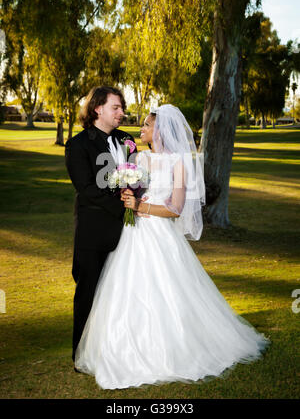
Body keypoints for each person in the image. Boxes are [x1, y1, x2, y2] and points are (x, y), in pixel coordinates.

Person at [74, 104, 270, 389]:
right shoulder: (138, 158)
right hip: (132, 233)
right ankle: (124, 345)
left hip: (159, 233)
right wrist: (126, 195)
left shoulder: (179, 162)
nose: (140, 130)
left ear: (159, 130)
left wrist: (142, 205)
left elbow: (176, 209)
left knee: (167, 289)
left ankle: (174, 345)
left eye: (146, 125)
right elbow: (126, 189)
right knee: (127, 288)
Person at [65, 85, 136, 364]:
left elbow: (135, 177)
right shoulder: (78, 145)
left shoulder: (128, 141)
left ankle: (116, 349)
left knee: (121, 290)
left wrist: (134, 196)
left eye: (121, 108)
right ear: (98, 109)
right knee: (88, 291)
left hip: (129, 232)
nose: (121, 112)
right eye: (115, 107)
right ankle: (81, 355)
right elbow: (86, 188)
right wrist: (122, 206)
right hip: (93, 231)